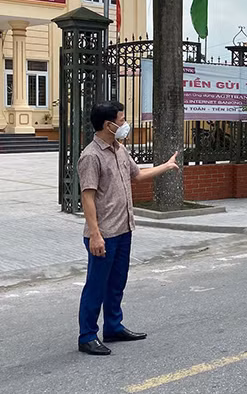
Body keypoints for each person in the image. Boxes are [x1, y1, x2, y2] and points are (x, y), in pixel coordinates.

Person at [77, 101, 179, 356]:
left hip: (124, 228)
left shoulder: (119, 149)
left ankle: (113, 326)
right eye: (121, 120)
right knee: (96, 286)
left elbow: (138, 175)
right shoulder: (91, 156)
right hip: (104, 234)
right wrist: (95, 234)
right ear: (107, 124)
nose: (124, 124)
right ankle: (87, 335)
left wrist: (166, 166)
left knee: (117, 283)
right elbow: (87, 197)